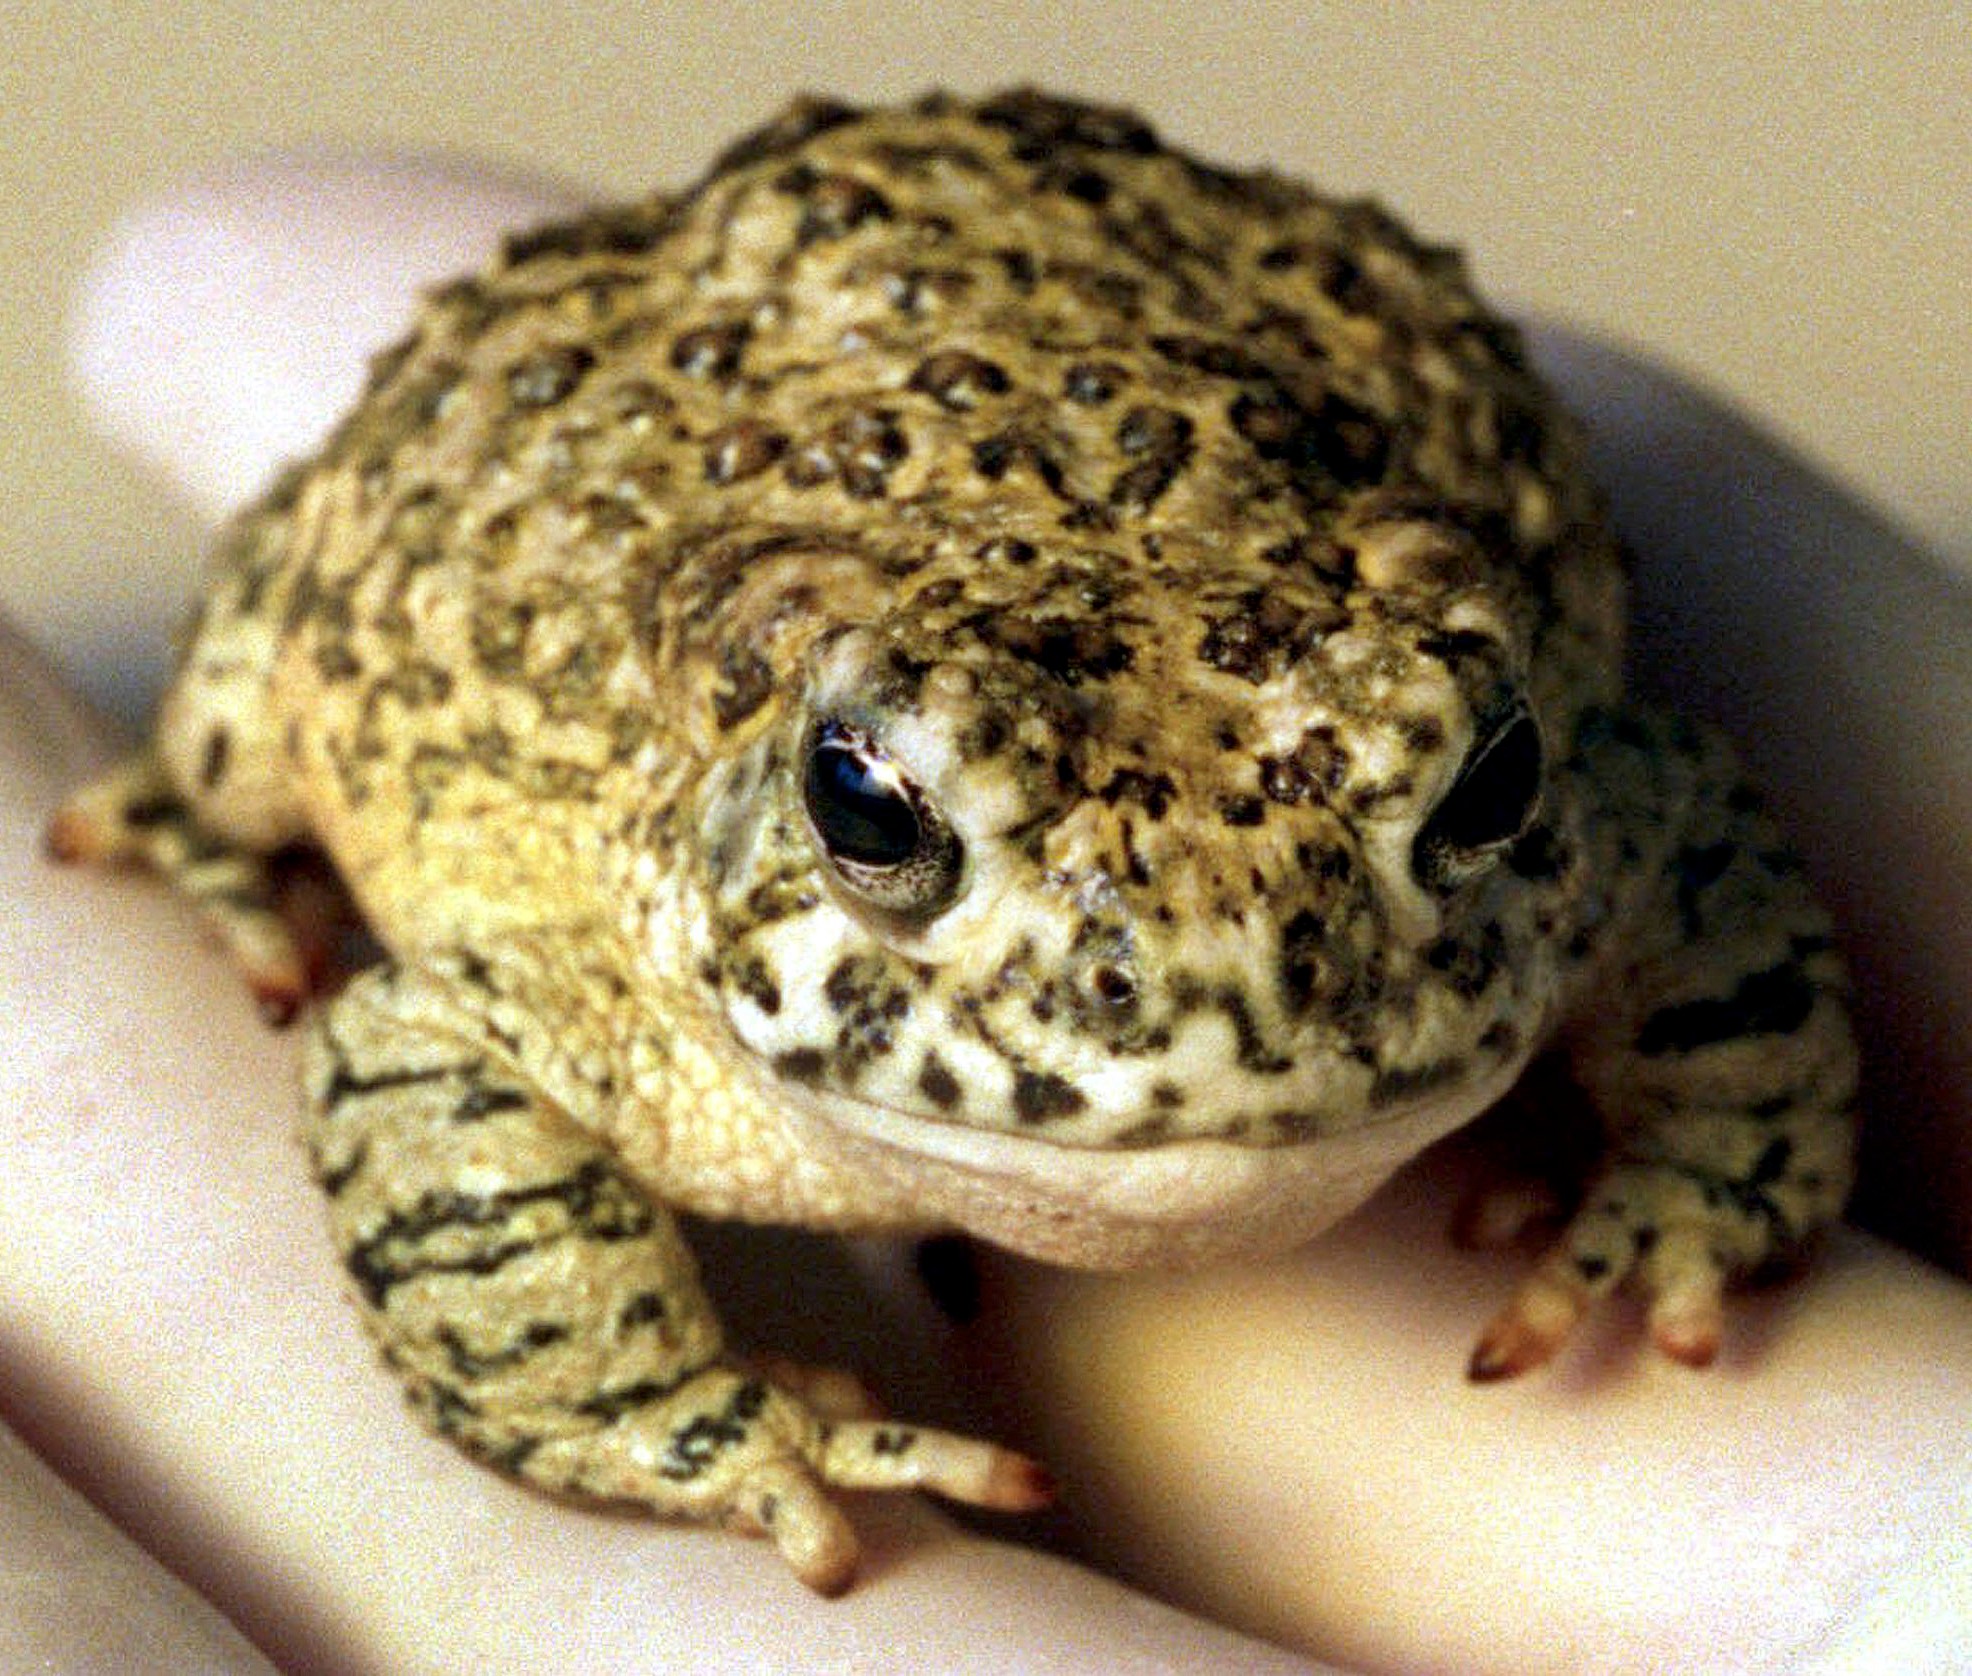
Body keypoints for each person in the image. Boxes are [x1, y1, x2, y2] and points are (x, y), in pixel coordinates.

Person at [4, 155, 1968, 1674]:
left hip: (1187, 316)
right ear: (800, 803)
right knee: (246, 718)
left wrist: (1722, 1145)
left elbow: (1658, 812)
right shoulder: (609, 914)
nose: (1189, 998)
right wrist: (625, 1394)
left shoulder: (1472, 726)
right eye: (882, 818)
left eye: (1460, 799)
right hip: (602, 443)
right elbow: (420, 1039)